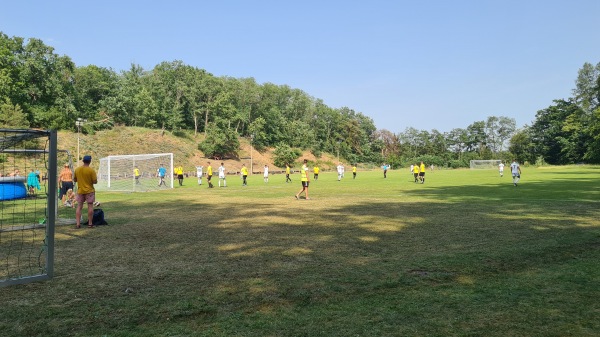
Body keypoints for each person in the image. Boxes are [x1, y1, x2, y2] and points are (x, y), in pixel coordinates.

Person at [74, 155, 98, 229]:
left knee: (79, 206)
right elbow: (95, 181)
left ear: (83, 161)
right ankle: (90, 223)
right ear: (90, 161)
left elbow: (75, 180)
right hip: (89, 191)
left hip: (80, 191)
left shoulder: (77, 170)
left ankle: (78, 224)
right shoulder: (91, 170)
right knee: (90, 206)